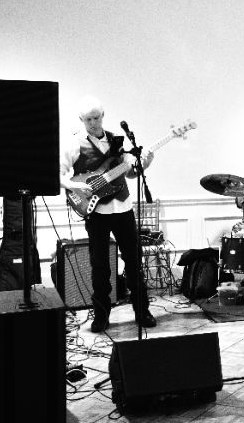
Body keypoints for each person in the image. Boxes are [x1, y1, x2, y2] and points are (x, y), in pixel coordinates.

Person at [60, 95, 158, 333]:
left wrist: (145, 163)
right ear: (81, 119)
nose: (93, 123)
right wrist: (74, 186)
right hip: (96, 212)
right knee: (100, 266)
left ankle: (142, 311)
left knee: (134, 262)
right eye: (88, 119)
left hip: (123, 209)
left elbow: (130, 173)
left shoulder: (117, 141)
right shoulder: (74, 144)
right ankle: (101, 316)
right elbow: (58, 174)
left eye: (96, 118)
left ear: (103, 116)